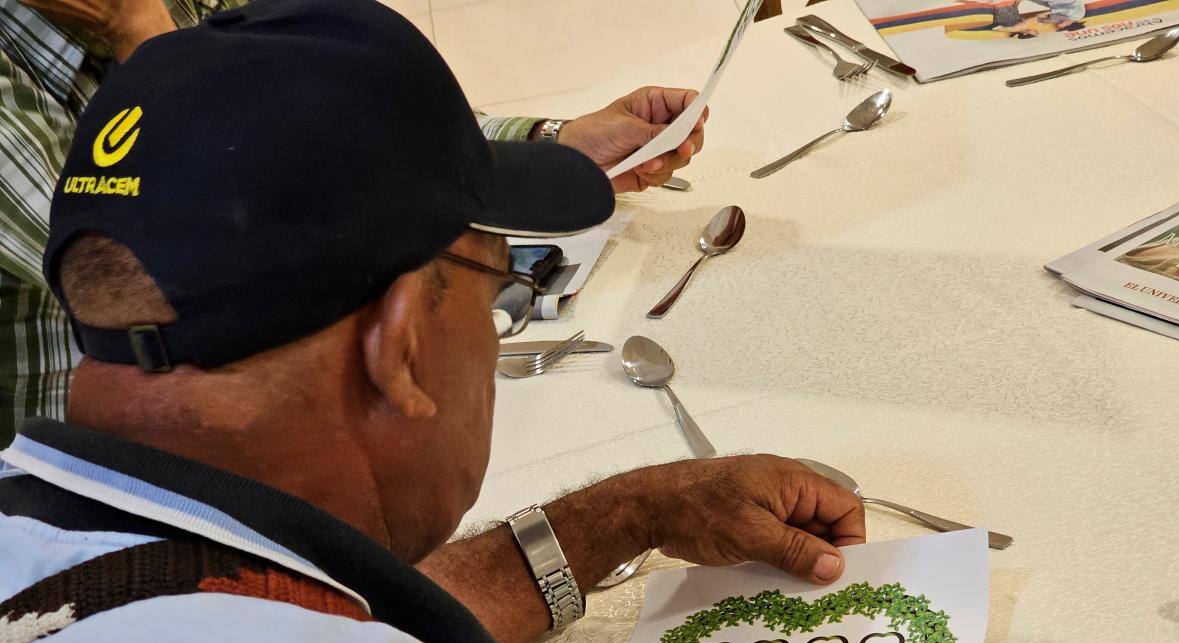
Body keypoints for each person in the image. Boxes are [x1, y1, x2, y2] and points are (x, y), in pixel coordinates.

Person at [0, 1, 1061, 643]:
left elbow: (260, 616)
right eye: (497, 281)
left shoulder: (46, 539)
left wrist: (614, 521)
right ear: (400, 339)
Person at [0, 0, 706, 448]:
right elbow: (178, 255)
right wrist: (146, 35)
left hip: (268, 393)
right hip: (118, 465)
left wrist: (555, 139)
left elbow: (344, 122)